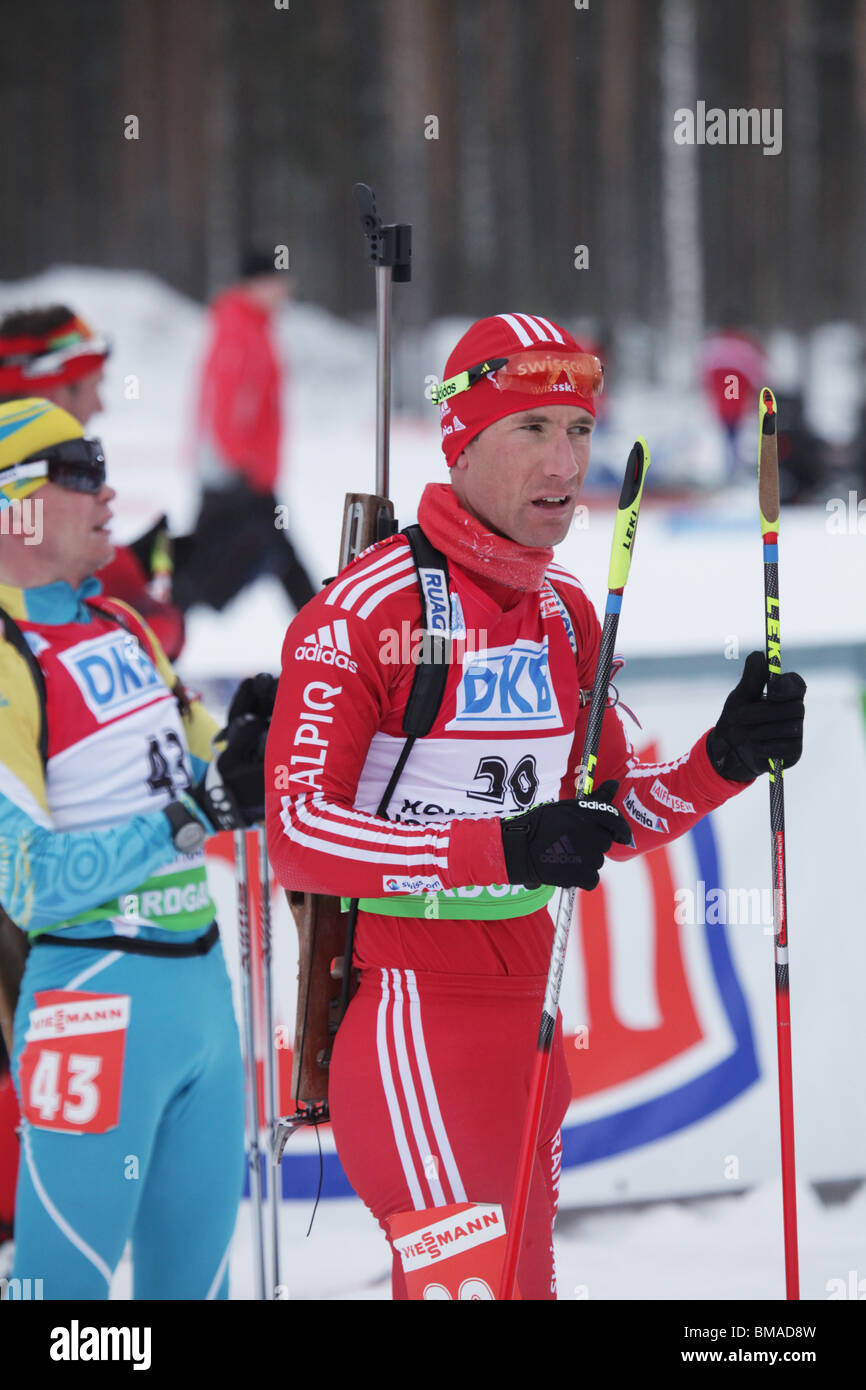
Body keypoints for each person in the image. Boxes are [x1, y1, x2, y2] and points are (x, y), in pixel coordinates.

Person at [264, 313, 806, 1301]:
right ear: (462, 441)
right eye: (530, 430)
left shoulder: (563, 614)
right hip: (412, 1024)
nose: (564, 461)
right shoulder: (367, 610)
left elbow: (597, 821)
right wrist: (496, 846)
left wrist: (721, 760)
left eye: (578, 429)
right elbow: (297, 833)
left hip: (528, 1022)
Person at [0, 397, 273, 1299]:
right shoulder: (7, 655)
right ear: (16, 504)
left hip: (201, 995)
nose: (107, 493)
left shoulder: (122, 626)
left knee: (196, 1293)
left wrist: (270, 730)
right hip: (93, 1002)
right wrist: (191, 814)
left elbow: (214, 764)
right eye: (78, 473)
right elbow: (29, 881)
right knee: (63, 1300)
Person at [0, 304, 185, 660]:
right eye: (94, 387)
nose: (101, 406)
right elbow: (146, 635)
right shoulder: (28, 485)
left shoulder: (27, 484)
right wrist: (146, 599)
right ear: (53, 392)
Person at [173, 250, 316, 615]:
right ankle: (324, 632)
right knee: (225, 561)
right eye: (278, 281)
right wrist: (239, 460)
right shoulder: (240, 327)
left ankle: (322, 632)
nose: (286, 289)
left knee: (262, 553)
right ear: (257, 284)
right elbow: (227, 398)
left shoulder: (253, 324)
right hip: (236, 469)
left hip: (246, 468)